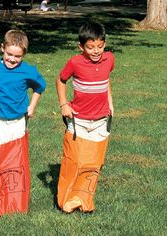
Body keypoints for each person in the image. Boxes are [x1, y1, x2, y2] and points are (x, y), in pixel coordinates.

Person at [0, 29, 46, 216]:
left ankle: (16, 200)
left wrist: (32, 106)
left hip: (18, 121)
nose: (12, 59)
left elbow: (40, 86)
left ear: (24, 55)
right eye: (9, 54)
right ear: (2, 48)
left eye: (17, 56)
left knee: (16, 160)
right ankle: (1, 200)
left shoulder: (28, 71)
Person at [56, 22, 115, 213]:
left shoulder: (110, 59)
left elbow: (105, 80)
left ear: (104, 44)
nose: (96, 51)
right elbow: (61, 80)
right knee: (75, 160)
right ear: (81, 47)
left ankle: (83, 200)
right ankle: (66, 198)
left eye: (100, 46)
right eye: (90, 47)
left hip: (100, 120)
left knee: (94, 162)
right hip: (78, 119)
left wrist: (110, 102)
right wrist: (64, 104)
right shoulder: (75, 62)